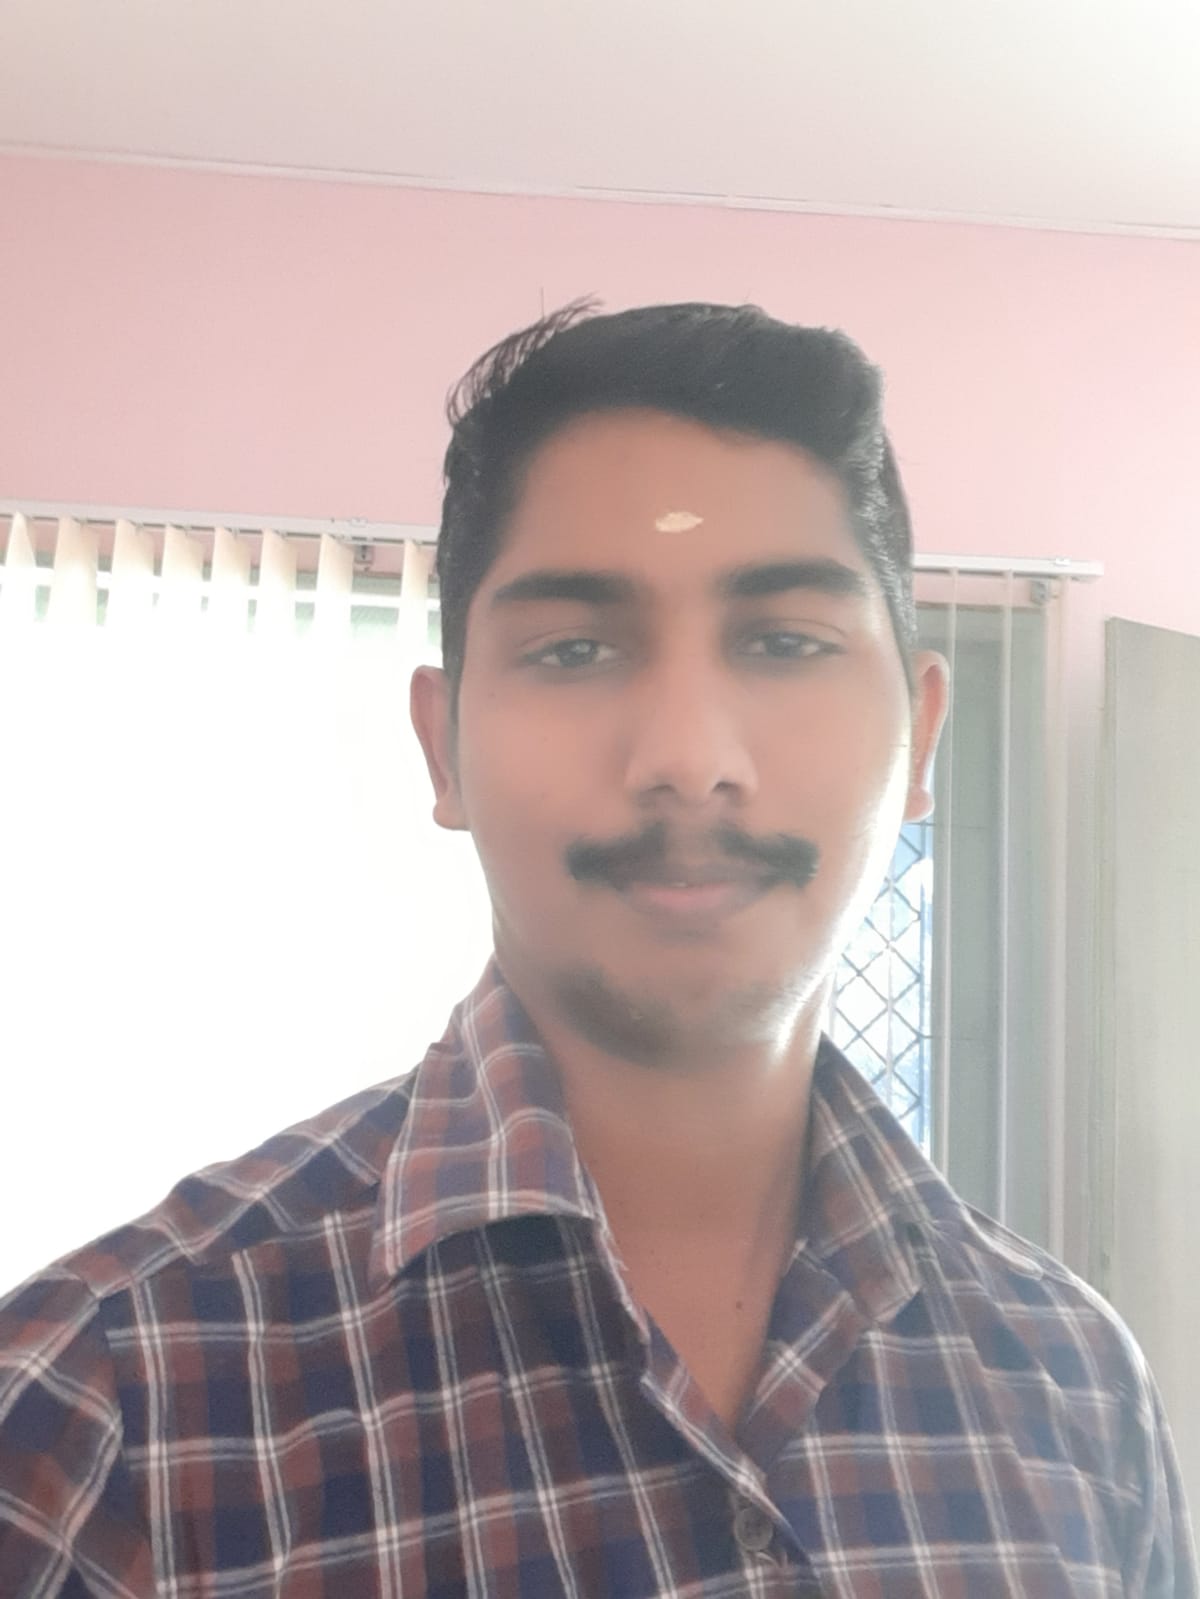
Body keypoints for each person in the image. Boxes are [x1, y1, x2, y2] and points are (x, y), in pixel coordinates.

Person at [0, 303, 1193, 1598]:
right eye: (574, 649)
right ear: (445, 749)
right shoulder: (99, 1410)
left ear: (921, 734)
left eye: (784, 643)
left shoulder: (1076, 1386)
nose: (688, 756)